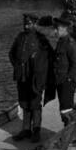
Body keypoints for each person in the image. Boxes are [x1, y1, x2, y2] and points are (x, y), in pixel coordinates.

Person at [8, 15, 52, 143]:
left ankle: (36, 130)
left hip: (35, 79)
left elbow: (48, 58)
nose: (26, 26)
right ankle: (26, 129)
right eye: (25, 24)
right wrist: (17, 66)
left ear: (34, 24)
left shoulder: (41, 39)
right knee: (24, 103)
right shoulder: (20, 37)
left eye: (28, 24)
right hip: (22, 77)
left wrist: (43, 77)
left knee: (35, 104)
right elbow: (11, 53)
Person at [46, 17, 76, 117]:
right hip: (61, 81)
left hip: (67, 82)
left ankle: (70, 131)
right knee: (64, 109)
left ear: (63, 28)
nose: (55, 31)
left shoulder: (70, 44)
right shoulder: (61, 42)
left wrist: (67, 80)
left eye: (56, 29)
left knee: (67, 110)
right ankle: (68, 130)